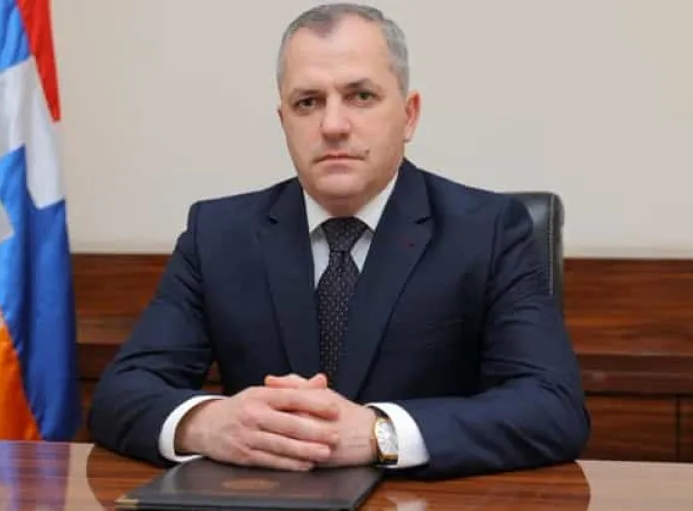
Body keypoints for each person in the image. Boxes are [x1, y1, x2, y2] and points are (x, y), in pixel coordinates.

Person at [88, 2, 590, 480]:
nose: (332, 125)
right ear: (284, 121)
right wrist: (209, 423)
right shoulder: (218, 234)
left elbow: (552, 408)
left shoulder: (489, 230)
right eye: (307, 102)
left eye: (361, 96)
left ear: (409, 114)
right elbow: (120, 394)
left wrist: (379, 434)